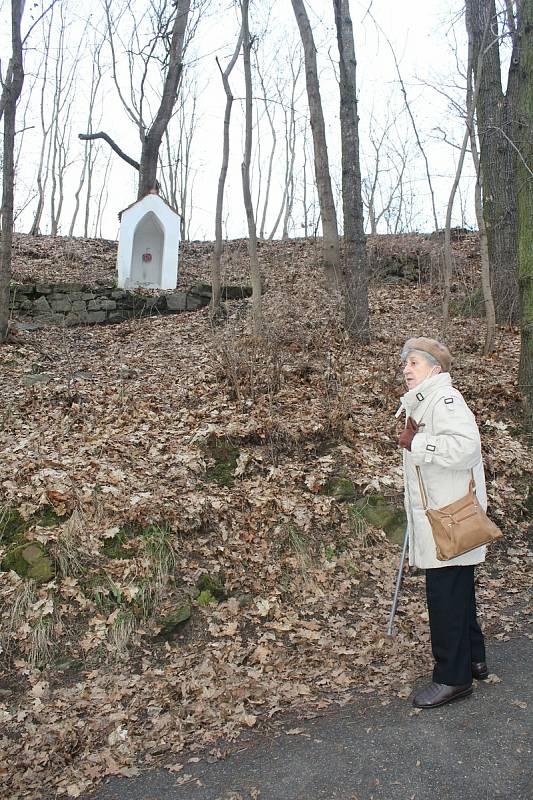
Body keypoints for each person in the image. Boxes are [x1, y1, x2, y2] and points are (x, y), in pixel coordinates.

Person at [396, 336, 489, 709]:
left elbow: (466, 447)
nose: (406, 369)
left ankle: (453, 678)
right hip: (445, 513)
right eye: (405, 363)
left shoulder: (445, 400)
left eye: (415, 363)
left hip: (448, 517)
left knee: (445, 594)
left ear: (435, 369)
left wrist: (417, 445)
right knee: (458, 588)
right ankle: (473, 659)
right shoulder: (425, 401)